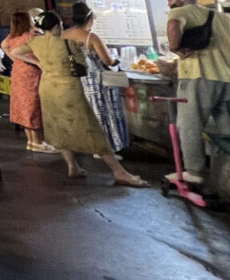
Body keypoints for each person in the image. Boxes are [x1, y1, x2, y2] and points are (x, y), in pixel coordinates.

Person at [28, 12, 146, 186]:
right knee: (92, 129)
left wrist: (40, 64)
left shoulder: (35, 43)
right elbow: (83, 64)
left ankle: (72, 166)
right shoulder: (67, 44)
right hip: (68, 89)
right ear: (57, 26)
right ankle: (119, 172)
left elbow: (14, 50)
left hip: (47, 88)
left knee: (60, 127)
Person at [163, 0, 230, 185]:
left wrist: (175, 48)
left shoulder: (180, 11)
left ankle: (194, 171)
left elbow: (174, 25)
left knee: (189, 124)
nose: (169, 5)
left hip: (199, 75)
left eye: (170, 0)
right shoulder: (224, 18)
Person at [65, 2, 128, 154]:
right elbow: (107, 61)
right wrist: (117, 61)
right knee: (103, 114)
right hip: (95, 81)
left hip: (74, 80)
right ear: (90, 20)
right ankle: (106, 149)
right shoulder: (91, 38)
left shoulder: (64, 35)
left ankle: (88, 146)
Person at [3, 11, 52, 153]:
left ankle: (31, 141)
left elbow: (4, 45)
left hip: (18, 72)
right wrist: (35, 61)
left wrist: (16, 59)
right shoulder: (32, 36)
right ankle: (39, 142)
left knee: (24, 106)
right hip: (32, 73)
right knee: (33, 105)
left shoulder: (12, 36)